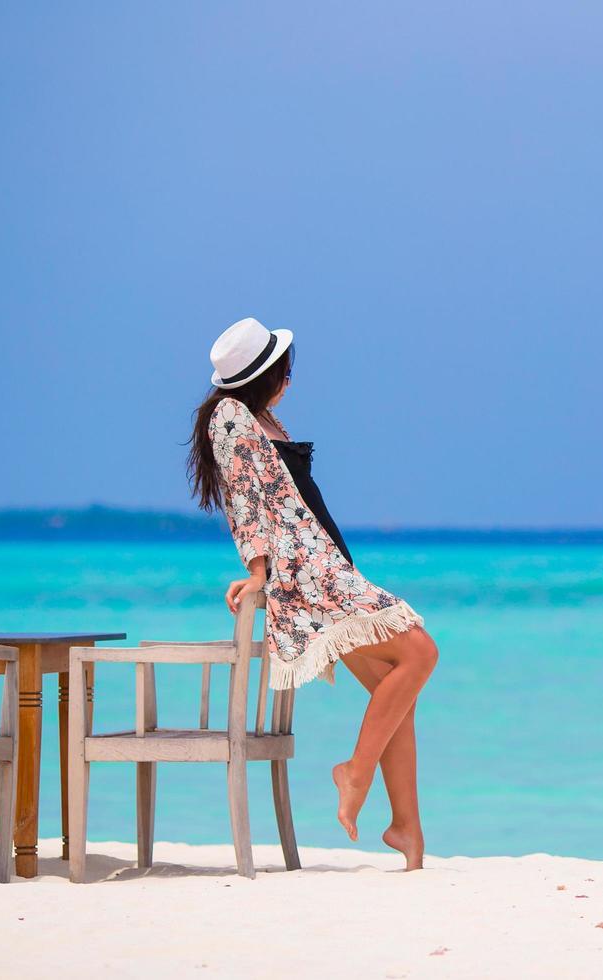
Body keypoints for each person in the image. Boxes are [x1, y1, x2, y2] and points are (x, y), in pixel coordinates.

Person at [186, 316, 439, 869]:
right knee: (420, 652)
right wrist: (257, 570)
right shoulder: (231, 419)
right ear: (262, 376)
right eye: (284, 371)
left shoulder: (258, 415)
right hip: (309, 579)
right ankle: (355, 772)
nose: (290, 381)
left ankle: (407, 833)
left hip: (329, 569)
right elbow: (244, 502)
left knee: (397, 695)